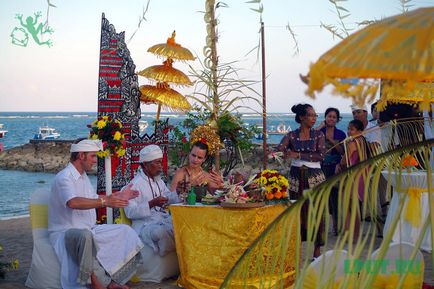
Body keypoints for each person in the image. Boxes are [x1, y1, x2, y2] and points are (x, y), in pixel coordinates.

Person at [48, 139, 144, 289]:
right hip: (65, 233)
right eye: (93, 156)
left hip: (90, 230)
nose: (95, 160)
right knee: (85, 236)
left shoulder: (83, 177)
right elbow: (73, 202)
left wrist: (118, 196)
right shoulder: (64, 177)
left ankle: (115, 281)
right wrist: (105, 203)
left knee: (126, 231)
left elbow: (96, 199)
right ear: (81, 155)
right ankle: (94, 283)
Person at [276, 103, 326, 258]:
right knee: (297, 211)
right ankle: (296, 247)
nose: (314, 118)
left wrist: (297, 155)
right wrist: (276, 153)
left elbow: (321, 155)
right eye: (311, 115)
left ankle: (317, 250)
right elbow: (279, 150)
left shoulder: (318, 135)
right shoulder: (291, 135)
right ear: (302, 117)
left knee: (317, 211)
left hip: (315, 177)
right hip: (296, 178)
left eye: (315, 115)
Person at [124, 145, 181, 258]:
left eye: (161, 162)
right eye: (157, 163)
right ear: (145, 164)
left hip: (161, 219)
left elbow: (168, 198)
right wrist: (151, 204)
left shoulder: (158, 181)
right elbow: (130, 212)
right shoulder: (135, 185)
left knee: (182, 224)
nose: (161, 166)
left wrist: (178, 192)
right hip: (145, 225)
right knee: (159, 232)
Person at [335, 119, 369, 242]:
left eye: (352, 129)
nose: (349, 131)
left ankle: (350, 236)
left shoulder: (352, 143)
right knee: (355, 207)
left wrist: (339, 164)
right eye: (348, 129)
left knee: (349, 207)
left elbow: (345, 161)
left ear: (359, 131)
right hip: (361, 176)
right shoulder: (363, 141)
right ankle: (356, 235)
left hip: (351, 177)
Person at [316, 107, 346, 235]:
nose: (331, 119)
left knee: (335, 198)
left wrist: (331, 140)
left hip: (335, 168)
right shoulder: (319, 131)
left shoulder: (340, 134)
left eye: (334, 117)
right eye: (329, 116)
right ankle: (320, 227)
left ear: (337, 119)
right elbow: (309, 140)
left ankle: (336, 226)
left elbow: (343, 152)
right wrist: (319, 128)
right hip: (320, 167)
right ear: (325, 117)